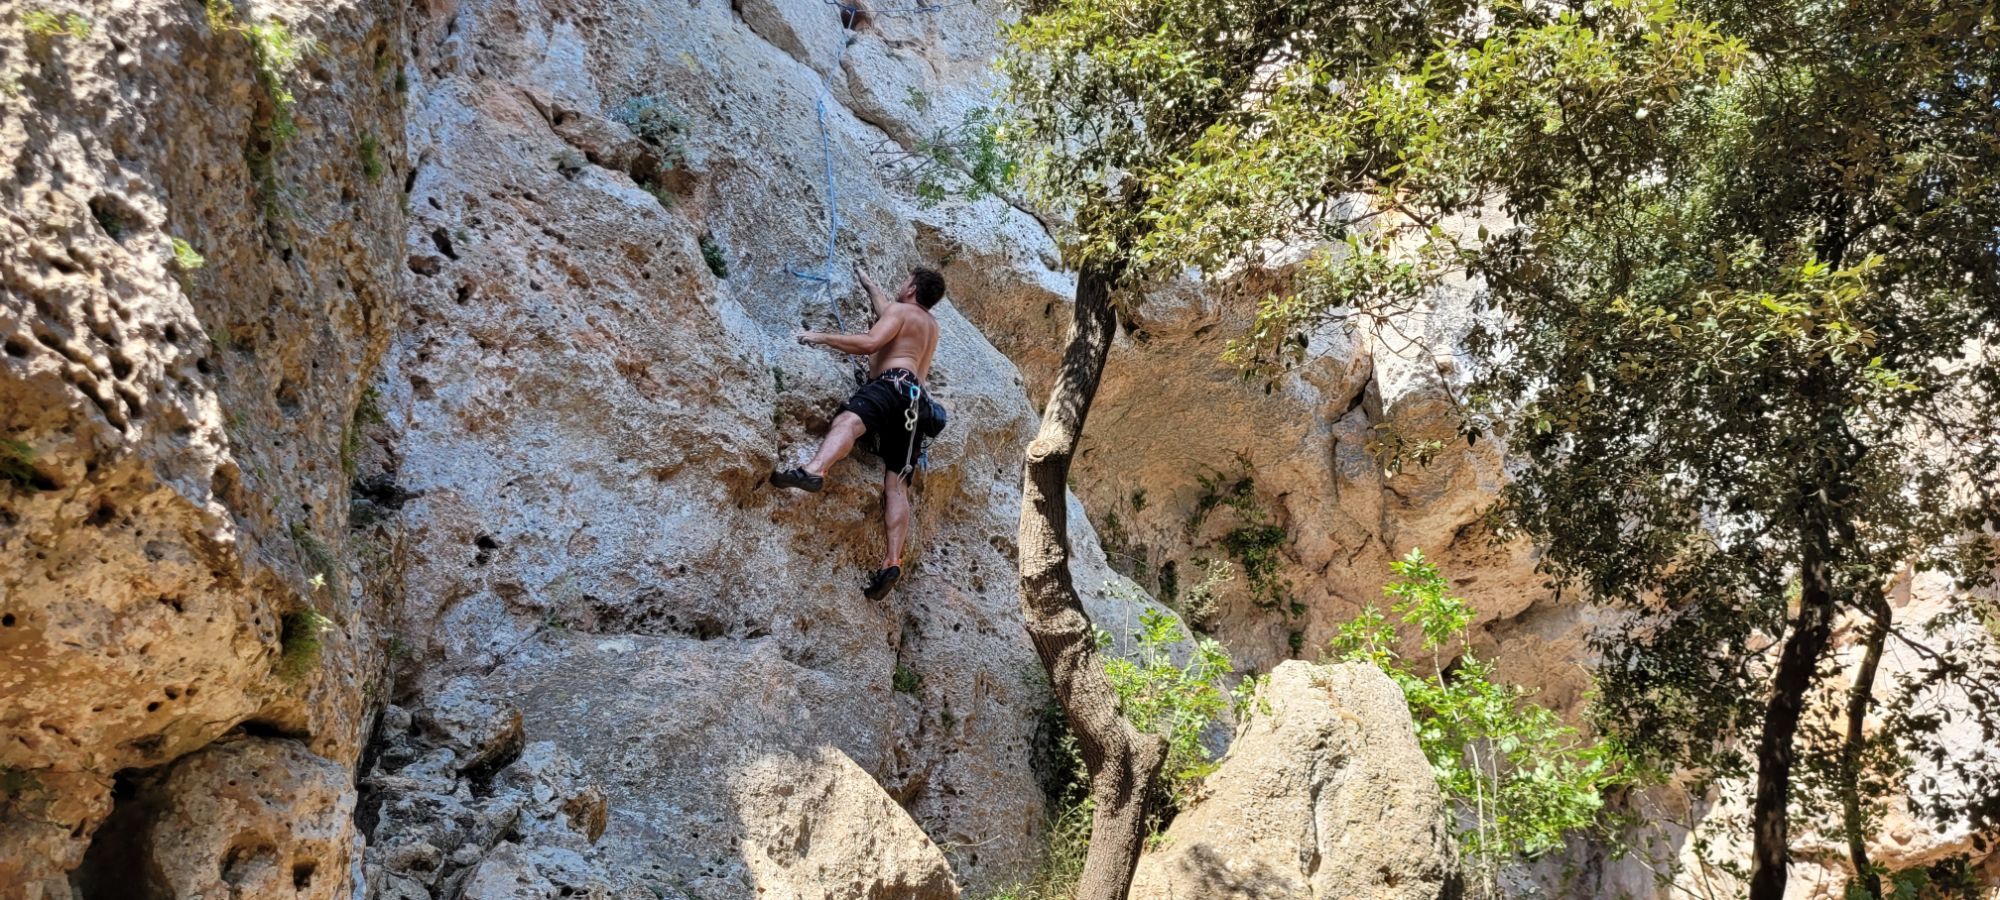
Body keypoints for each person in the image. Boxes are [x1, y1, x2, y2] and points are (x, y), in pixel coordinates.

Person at [772, 262, 946, 599]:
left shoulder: (901, 311)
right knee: (896, 485)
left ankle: (814, 470)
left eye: (904, 280)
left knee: (847, 422)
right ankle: (892, 561)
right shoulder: (929, 325)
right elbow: (889, 314)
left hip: (892, 385)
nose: (901, 284)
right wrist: (868, 284)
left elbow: (871, 342)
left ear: (911, 289)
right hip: (916, 403)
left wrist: (818, 337)